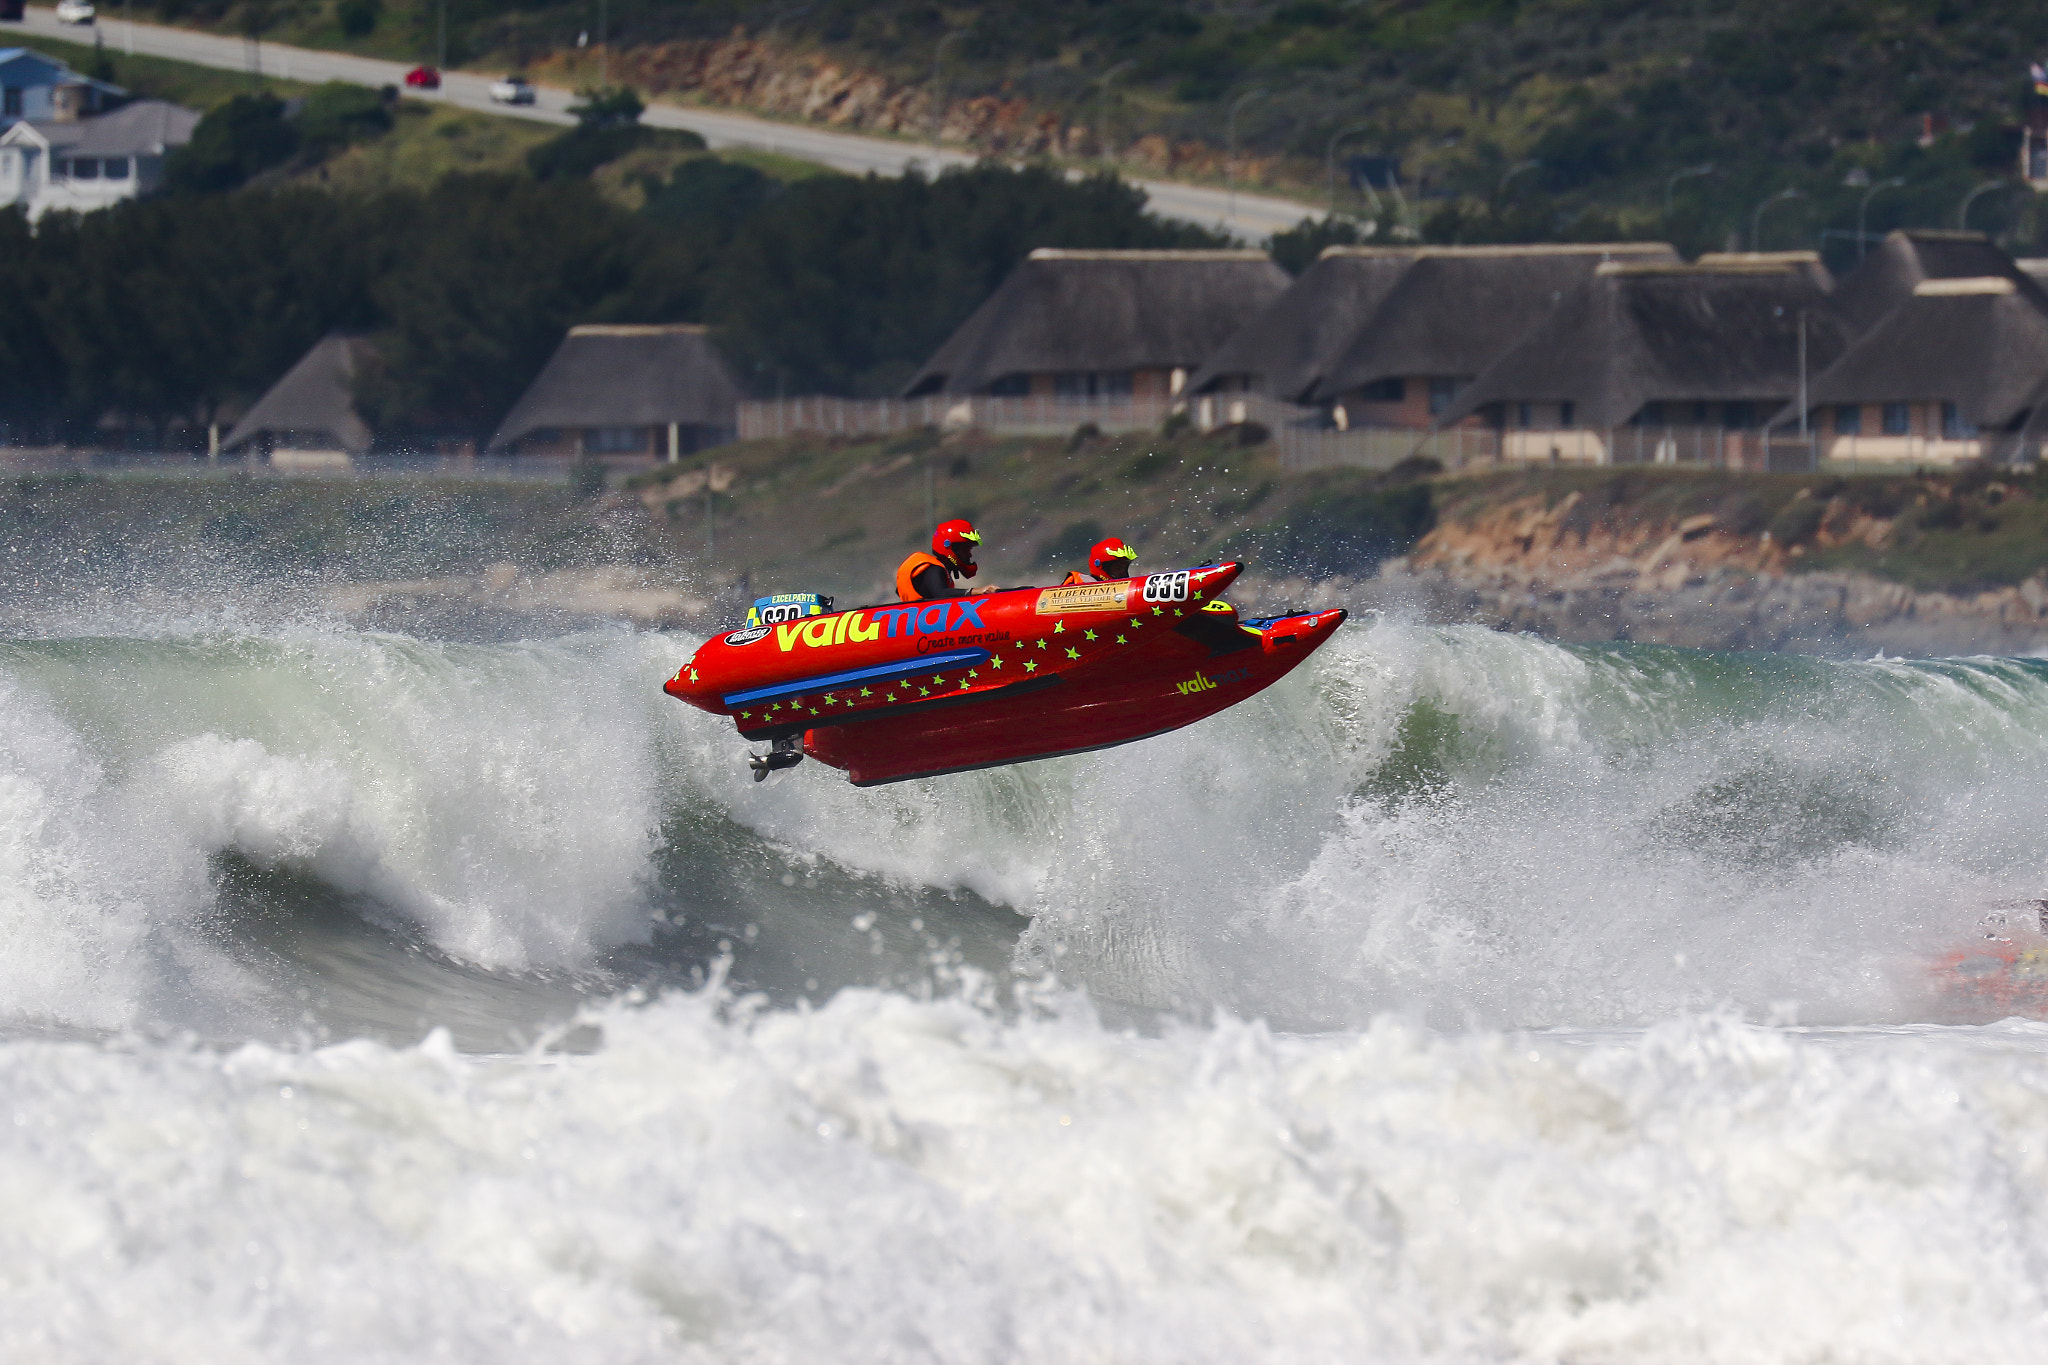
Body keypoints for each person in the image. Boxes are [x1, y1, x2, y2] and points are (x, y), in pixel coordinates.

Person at [896, 518, 986, 601]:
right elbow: (941, 594)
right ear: (950, 548)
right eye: (965, 550)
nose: (969, 555)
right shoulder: (934, 569)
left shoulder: (941, 571)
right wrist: (975, 591)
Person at [1061, 536, 1138, 585]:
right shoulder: (1078, 583)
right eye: (1118, 568)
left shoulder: (1124, 591)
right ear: (1101, 566)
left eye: (1124, 568)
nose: (1122, 573)